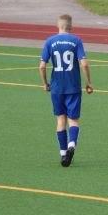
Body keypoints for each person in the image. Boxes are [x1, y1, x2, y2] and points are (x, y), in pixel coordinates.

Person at [39, 14, 93, 167]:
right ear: (71, 26)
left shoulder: (50, 41)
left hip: (57, 87)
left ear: (58, 25)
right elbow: (84, 64)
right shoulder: (76, 40)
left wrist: (45, 83)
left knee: (60, 120)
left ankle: (63, 154)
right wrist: (88, 82)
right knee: (73, 120)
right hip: (73, 87)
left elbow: (42, 66)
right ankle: (72, 145)